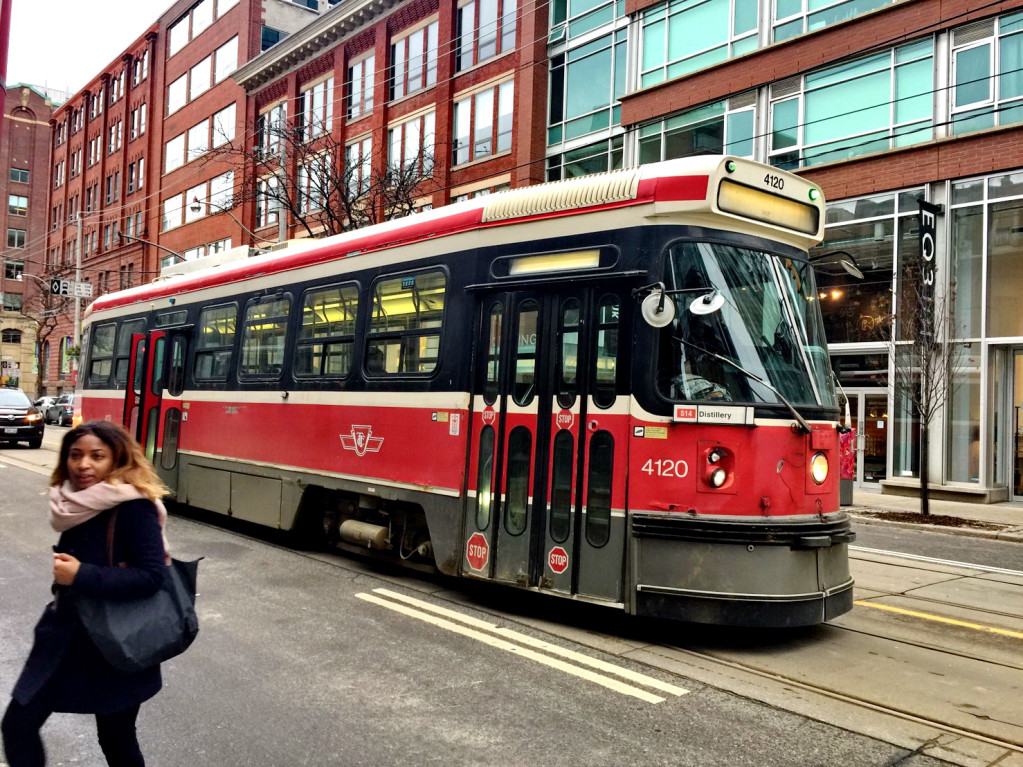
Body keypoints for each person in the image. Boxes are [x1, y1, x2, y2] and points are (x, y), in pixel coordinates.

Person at [2, 421, 171, 767]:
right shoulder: (72, 503)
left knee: (116, 737)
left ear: (117, 459)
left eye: (97, 456)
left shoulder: (133, 506)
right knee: (18, 724)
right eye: (75, 455)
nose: (83, 465)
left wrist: (81, 574)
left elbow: (153, 576)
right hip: (64, 639)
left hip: (115, 642)